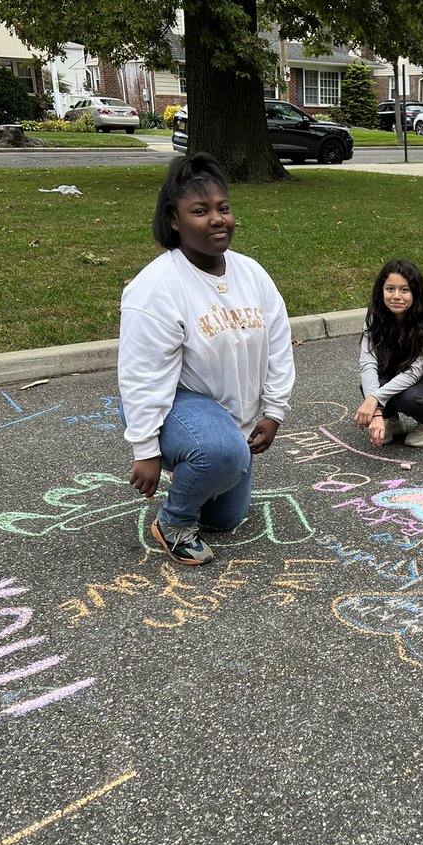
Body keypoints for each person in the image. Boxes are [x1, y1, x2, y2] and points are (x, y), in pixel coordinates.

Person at [118, 152, 295, 566]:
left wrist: (273, 412)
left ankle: (200, 461)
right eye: (200, 211)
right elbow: (142, 375)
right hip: (174, 403)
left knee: (227, 519)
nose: (217, 219)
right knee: (222, 454)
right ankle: (174, 521)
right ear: (175, 220)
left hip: (227, 415)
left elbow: (279, 347)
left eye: (224, 208)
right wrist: (145, 448)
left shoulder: (252, 273)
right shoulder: (156, 288)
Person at [353, 258, 423, 449]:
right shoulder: (374, 318)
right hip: (392, 377)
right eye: (390, 289)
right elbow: (368, 364)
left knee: (408, 397)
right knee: (368, 384)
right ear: (381, 291)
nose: (396, 296)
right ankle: (392, 421)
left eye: (404, 290)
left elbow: (413, 373)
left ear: (416, 293)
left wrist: (374, 401)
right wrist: (377, 413)